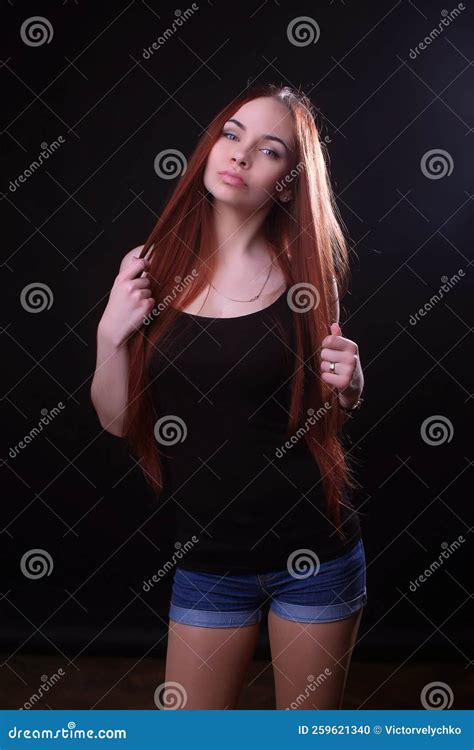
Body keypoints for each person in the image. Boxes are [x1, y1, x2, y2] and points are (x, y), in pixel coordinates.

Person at [91, 83, 366, 710]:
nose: (239, 155)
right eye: (232, 134)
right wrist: (110, 332)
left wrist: (351, 389)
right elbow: (116, 421)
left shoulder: (306, 276)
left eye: (269, 150)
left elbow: (325, 410)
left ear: (290, 182)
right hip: (210, 559)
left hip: (315, 554)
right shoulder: (152, 268)